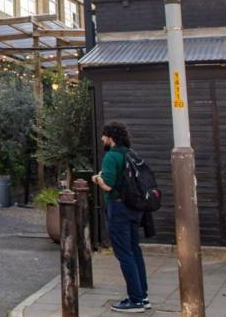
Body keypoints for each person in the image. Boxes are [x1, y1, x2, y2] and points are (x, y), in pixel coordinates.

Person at [92, 122, 149, 313]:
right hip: (134, 208)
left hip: (118, 207)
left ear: (110, 137)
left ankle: (135, 300)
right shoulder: (131, 154)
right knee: (134, 250)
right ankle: (143, 295)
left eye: (103, 136)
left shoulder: (111, 156)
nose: (102, 139)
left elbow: (107, 185)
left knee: (124, 254)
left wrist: (98, 178)